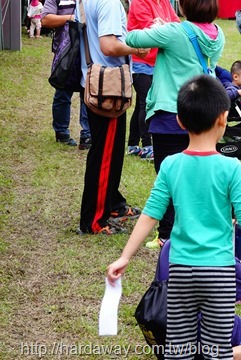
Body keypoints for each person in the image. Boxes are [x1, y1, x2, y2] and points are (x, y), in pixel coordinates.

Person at [106, 75, 241, 359]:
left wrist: (125, 257)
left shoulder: (170, 164)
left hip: (181, 270)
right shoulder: (232, 168)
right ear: (223, 119)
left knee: (178, 349)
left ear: (179, 121)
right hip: (219, 273)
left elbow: (150, 215)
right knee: (217, 351)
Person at [124, 0, 225, 249]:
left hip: (170, 112)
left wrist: (156, 26)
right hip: (202, 112)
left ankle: (167, 234)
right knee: (198, 176)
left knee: (167, 176)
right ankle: (196, 230)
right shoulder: (218, 34)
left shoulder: (174, 31)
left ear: (185, 7)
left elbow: (133, 38)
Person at [76, 0, 150, 235]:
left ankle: (112, 204)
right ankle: (95, 221)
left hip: (97, 82)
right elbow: (108, 46)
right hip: (106, 87)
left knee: (112, 150)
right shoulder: (108, 2)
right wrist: (137, 49)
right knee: (104, 155)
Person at [125, 0, 179, 161]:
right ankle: (148, 146)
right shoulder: (139, 2)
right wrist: (166, 26)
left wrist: (165, 25)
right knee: (147, 103)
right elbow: (151, 29)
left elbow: (176, 24)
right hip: (140, 61)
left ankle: (132, 144)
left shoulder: (164, 2)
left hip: (157, 61)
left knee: (141, 104)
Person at [41, 0, 92, 149]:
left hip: (89, 50)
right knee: (63, 91)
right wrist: (71, 18)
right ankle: (61, 132)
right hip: (66, 52)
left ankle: (87, 134)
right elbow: (45, 19)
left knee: (88, 91)